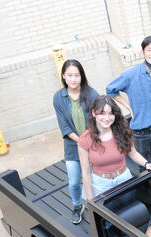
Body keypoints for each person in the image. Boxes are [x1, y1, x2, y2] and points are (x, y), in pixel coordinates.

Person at [106, 35, 151, 166]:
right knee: (143, 165)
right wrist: (128, 107)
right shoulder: (130, 75)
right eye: (149, 50)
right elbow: (111, 90)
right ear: (143, 52)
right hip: (139, 132)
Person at [78, 96, 151, 200]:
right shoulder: (85, 139)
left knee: (129, 208)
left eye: (110, 113)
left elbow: (133, 153)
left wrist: (147, 164)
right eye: (102, 113)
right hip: (101, 183)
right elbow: (85, 172)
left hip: (123, 178)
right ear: (94, 113)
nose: (107, 118)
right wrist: (90, 199)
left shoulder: (122, 131)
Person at [52, 59, 99, 224]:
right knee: (73, 182)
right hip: (73, 147)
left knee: (94, 179)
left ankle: (96, 206)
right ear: (64, 76)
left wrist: (90, 142)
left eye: (76, 75)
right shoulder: (59, 97)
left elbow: (99, 121)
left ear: (82, 76)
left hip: (93, 146)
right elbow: (64, 126)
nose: (73, 79)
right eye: (69, 75)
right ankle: (77, 205)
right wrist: (81, 142)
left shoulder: (92, 95)